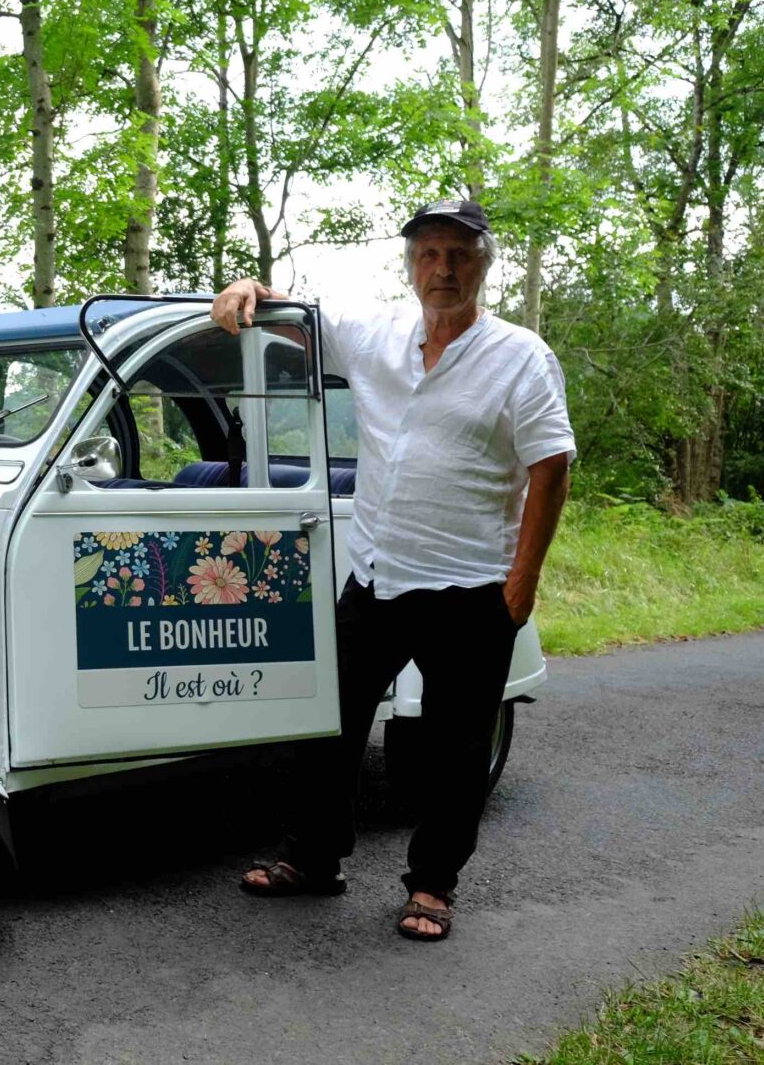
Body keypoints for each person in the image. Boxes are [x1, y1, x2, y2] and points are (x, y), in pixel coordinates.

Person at [210, 199, 575, 942]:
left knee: (454, 748)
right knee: (326, 725)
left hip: (473, 586)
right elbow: (293, 316)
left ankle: (433, 886)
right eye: (429, 254)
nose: (444, 268)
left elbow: (551, 467)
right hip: (376, 576)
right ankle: (312, 859)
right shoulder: (374, 337)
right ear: (410, 265)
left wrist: (522, 581)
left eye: (461, 254)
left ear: (484, 263)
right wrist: (247, 286)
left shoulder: (521, 356)